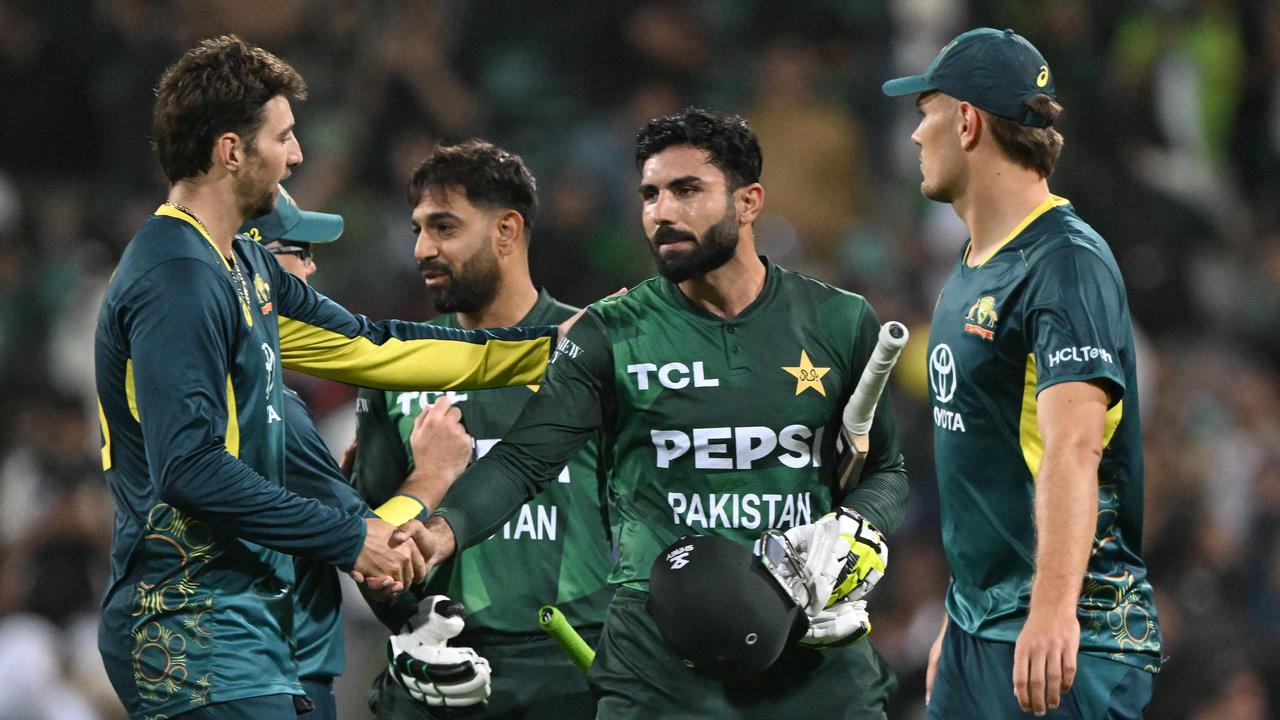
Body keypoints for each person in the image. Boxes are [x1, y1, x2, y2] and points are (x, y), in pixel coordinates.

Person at [94, 36, 556, 720]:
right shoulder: (178, 280)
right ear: (231, 151)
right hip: (190, 620)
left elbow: (375, 347)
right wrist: (368, 526)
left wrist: (545, 349)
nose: (297, 155)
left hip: (246, 620)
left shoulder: (241, 269)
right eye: (283, 136)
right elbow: (187, 467)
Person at [398, 108, 908, 719]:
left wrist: (858, 530)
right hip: (661, 654)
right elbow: (524, 459)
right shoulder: (609, 332)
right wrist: (442, 531)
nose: (661, 212)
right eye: (649, 194)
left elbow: (887, 468)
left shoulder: (839, 320)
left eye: (687, 190)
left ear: (748, 202)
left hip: (809, 637)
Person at [882, 27, 1162, 719]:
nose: (917, 134)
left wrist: (1051, 611)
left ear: (968, 121)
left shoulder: (1066, 263)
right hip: (986, 627)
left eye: (926, 112)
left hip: (1067, 637)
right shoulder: (977, 262)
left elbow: (1075, 446)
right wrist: (965, 612)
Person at [350, 139, 613, 719]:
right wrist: (408, 626)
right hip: (441, 670)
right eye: (418, 229)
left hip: (575, 670)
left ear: (507, 231)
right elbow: (367, 536)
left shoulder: (596, 351)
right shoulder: (396, 363)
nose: (423, 249)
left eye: (444, 227)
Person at [240, 186, 476, 719]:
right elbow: (373, 550)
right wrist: (433, 474)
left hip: (236, 657)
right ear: (255, 265)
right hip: (275, 666)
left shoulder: (202, 377)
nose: (312, 269)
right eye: (299, 252)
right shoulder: (272, 405)